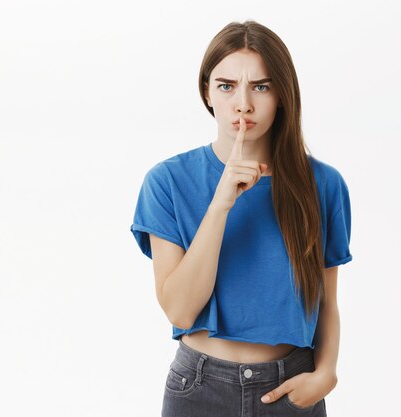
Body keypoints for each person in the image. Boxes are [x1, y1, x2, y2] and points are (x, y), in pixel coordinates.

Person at [130, 20, 353, 417]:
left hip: (290, 388)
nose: (243, 104)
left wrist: (327, 373)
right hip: (199, 389)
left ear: (282, 94)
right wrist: (220, 204)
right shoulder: (167, 182)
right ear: (207, 92)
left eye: (261, 87)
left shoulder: (323, 184)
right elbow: (180, 311)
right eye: (227, 85)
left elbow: (327, 299)